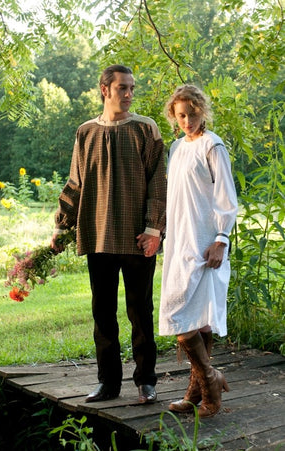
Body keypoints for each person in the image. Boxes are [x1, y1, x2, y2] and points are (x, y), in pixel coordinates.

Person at [51, 64, 166, 404]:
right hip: (98, 235)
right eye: (122, 88)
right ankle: (108, 384)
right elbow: (75, 183)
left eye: (132, 88)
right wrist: (61, 226)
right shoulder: (85, 132)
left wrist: (152, 228)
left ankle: (146, 381)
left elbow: (158, 181)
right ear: (105, 90)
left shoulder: (146, 129)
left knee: (140, 312)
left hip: (137, 238)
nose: (129, 94)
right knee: (102, 313)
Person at [159, 84, 238, 418]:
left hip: (207, 242)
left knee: (194, 318)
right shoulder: (177, 147)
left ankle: (206, 385)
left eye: (192, 114)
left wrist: (221, 239)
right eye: (181, 115)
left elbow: (226, 196)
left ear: (202, 111)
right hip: (180, 241)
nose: (187, 121)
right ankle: (201, 388)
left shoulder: (213, 145)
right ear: (174, 117)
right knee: (183, 313)